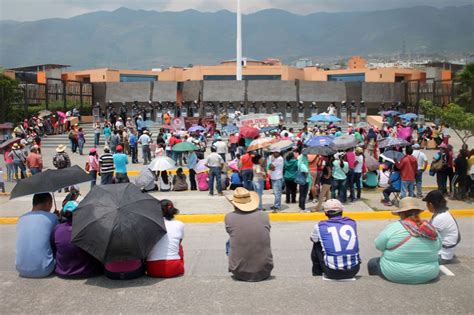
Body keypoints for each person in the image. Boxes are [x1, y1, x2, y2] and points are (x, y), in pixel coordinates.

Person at [368, 197, 441, 284]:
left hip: (396, 274)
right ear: (418, 212)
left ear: (401, 213)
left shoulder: (394, 227)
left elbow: (379, 245)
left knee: (372, 263)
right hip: (429, 274)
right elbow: (439, 246)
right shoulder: (429, 228)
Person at [225, 188, 273, 281]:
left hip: (239, 272)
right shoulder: (264, 215)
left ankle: (237, 265)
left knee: (229, 241)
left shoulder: (229, 217)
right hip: (265, 271)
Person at [310, 199, 361, 279]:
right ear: (341, 211)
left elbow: (313, 239)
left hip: (332, 272)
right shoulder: (352, 222)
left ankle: (317, 274)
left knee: (317, 244)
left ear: (325, 213)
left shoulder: (320, 226)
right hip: (354, 270)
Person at [52, 201, 103, 278]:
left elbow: (53, 247)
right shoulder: (87, 229)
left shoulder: (57, 228)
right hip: (87, 271)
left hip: (63, 272)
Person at [16, 193, 58, 278]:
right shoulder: (52, 217)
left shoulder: (21, 218)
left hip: (20, 269)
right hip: (44, 270)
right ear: (48, 203)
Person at [147, 200, 185, 278]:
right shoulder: (179, 224)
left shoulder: (150, 225)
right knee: (179, 246)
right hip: (174, 268)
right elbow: (179, 243)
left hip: (153, 269)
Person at [423, 190, 460, 264]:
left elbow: (426, 236)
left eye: (426, 203)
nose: (426, 206)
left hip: (443, 255)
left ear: (430, 204)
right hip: (446, 250)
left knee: (413, 255)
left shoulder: (440, 218)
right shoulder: (442, 214)